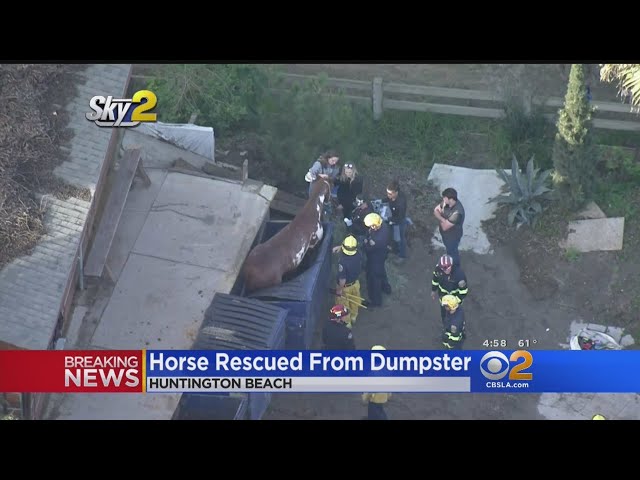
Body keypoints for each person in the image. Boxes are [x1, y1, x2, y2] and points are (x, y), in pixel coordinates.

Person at [331, 235, 363, 327]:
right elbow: (351, 248)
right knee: (354, 301)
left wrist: (339, 290)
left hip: (345, 287)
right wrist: (340, 247)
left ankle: (346, 324)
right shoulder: (359, 254)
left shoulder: (343, 262)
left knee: (343, 306)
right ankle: (353, 317)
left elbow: (342, 279)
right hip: (355, 284)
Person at [363, 213, 392, 307]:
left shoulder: (377, 239)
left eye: (371, 226)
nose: (370, 228)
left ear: (375, 225)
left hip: (375, 258)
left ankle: (376, 301)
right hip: (382, 256)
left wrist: (366, 243)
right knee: (381, 271)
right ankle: (386, 288)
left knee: (374, 279)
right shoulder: (384, 226)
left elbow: (368, 249)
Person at [431, 254, 468, 323]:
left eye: (448, 267)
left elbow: (463, 292)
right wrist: (433, 290)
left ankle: (458, 325)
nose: (446, 270)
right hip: (443, 297)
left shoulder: (459, 275)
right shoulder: (438, 269)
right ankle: (445, 324)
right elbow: (435, 280)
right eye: (444, 268)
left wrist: (454, 303)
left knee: (456, 316)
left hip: (455, 299)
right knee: (444, 314)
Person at [433, 187, 465, 267]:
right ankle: (450, 261)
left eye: (444, 198)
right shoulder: (446, 203)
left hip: (453, 237)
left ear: (450, 199)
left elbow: (444, 227)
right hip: (446, 236)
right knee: (449, 250)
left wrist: (440, 216)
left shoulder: (457, 213)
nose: (443, 199)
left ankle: (455, 267)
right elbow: (436, 210)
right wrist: (443, 219)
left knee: (453, 252)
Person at [362, 345, 391, 420]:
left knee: (376, 413)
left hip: (374, 398)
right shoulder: (387, 369)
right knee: (379, 410)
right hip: (383, 396)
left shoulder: (373, 372)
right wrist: (389, 395)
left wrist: (365, 397)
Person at [386, 179, 408, 263]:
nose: (388, 195)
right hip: (393, 217)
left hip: (399, 221)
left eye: (390, 194)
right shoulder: (392, 197)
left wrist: (388, 219)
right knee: (392, 234)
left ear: (396, 193)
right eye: (387, 193)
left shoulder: (401, 203)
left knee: (400, 239)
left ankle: (402, 256)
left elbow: (400, 217)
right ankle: (394, 249)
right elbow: (387, 199)